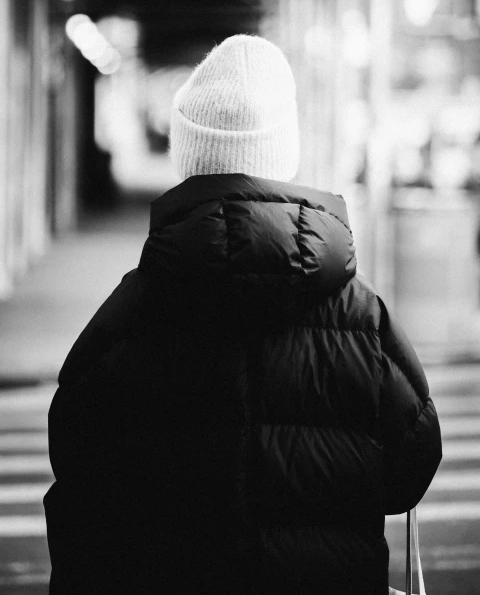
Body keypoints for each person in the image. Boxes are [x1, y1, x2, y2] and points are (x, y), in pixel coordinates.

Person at [44, 34, 442, 595]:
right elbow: (409, 471)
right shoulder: (365, 319)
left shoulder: (128, 317)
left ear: (187, 161)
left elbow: (80, 474)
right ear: (284, 154)